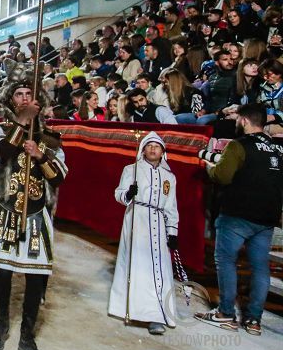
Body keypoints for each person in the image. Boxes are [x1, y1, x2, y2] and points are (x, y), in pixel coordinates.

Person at [0, 63, 67, 350]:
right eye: (19, 94)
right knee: (4, 271)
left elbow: (60, 176)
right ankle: (1, 324)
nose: (24, 99)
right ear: (11, 99)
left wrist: (41, 155)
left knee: (35, 277)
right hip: (6, 210)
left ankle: (27, 336)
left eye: (29, 94)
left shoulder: (51, 138)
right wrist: (21, 124)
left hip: (36, 216)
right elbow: (0, 155)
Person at [195, 104, 283, 336]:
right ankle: (254, 320)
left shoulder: (238, 145)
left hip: (237, 214)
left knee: (226, 260)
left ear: (244, 120)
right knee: (260, 268)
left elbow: (223, 176)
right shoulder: (277, 148)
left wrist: (209, 167)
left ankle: (225, 313)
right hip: (266, 217)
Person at [108, 132, 179, 335]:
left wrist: (173, 231)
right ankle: (135, 309)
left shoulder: (169, 177)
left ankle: (157, 315)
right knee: (138, 266)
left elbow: (171, 205)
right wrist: (128, 194)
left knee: (159, 269)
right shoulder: (132, 169)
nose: (153, 149)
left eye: (157, 146)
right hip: (137, 219)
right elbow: (118, 194)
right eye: (149, 146)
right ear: (143, 149)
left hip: (159, 223)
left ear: (163, 151)